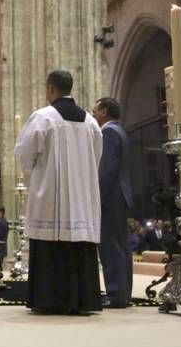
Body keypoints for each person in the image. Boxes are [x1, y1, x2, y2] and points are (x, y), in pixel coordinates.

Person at [15, 70, 103, 315]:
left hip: (51, 196)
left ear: (50, 88)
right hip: (83, 197)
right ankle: (83, 300)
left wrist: (36, 176)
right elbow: (96, 157)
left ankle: (51, 300)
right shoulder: (90, 121)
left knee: (51, 244)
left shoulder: (43, 118)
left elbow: (24, 154)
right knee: (80, 244)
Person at [92, 97, 134, 308]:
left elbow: (107, 169)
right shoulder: (121, 131)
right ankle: (123, 293)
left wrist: (97, 197)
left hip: (111, 196)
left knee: (110, 246)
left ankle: (115, 293)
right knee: (121, 246)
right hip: (120, 195)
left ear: (105, 112)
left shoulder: (108, 133)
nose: (93, 114)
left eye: (95, 111)